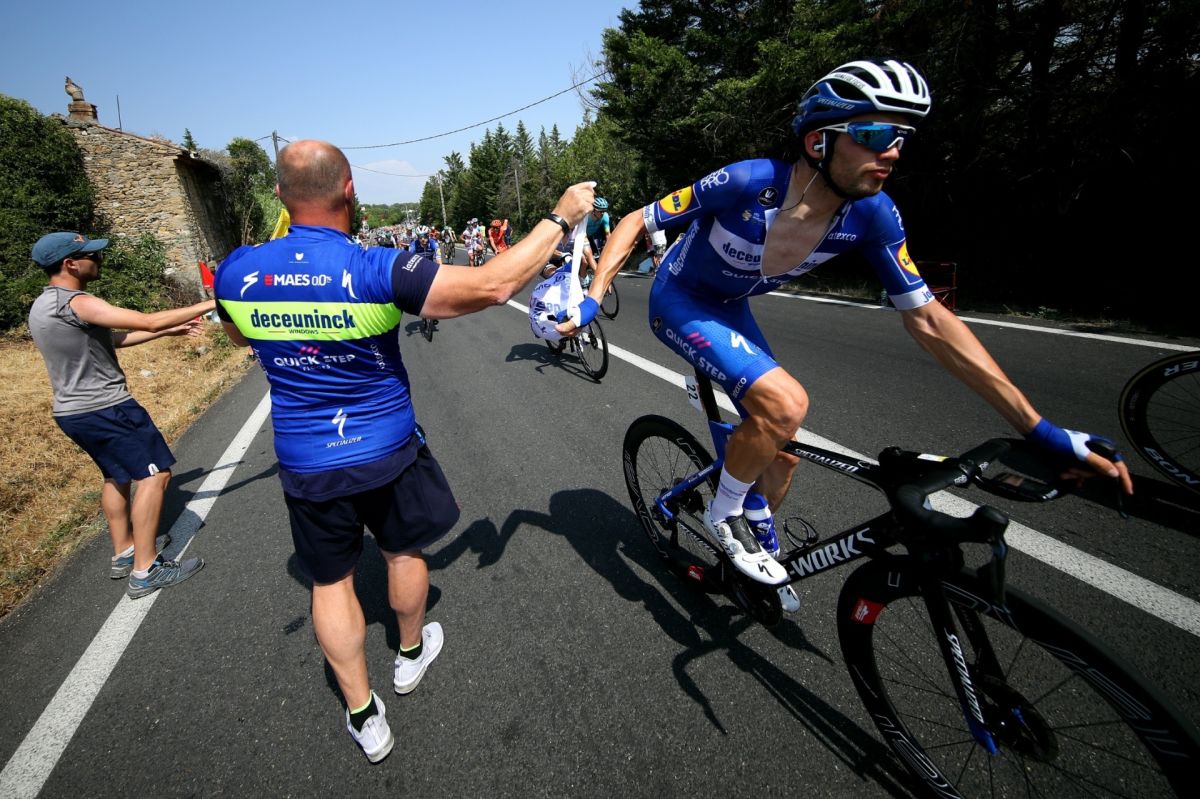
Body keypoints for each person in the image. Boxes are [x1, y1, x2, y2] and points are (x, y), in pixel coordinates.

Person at [563, 58, 1132, 614]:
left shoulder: (873, 215)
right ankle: (725, 513)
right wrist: (593, 296)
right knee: (786, 404)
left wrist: (1040, 429)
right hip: (681, 300)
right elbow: (638, 220)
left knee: (782, 457)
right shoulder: (748, 181)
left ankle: (750, 531)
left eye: (902, 138)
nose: (893, 151)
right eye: (876, 134)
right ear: (819, 141)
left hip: (730, 306)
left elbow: (931, 320)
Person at [213, 139, 594, 763]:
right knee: (402, 551)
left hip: (307, 459)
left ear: (280, 196)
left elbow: (237, 338)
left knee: (330, 583)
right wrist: (560, 216)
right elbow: (495, 285)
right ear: (350, 190)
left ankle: (364, 715)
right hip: (386, 447)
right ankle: (410, 655)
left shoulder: (236, 271)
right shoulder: (374, 266)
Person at [27, 231, 214, 598]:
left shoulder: (42, 305)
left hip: (72, 412)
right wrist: (213, 302)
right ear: (70, 264)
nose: (98, 260)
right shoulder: (77, 301)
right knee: (155, 475)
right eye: (91, 256)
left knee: (117, 475)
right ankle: (146, 571)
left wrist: (167, 332)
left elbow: (107, 339)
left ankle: (124, 551)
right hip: (107, 407)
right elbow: (147, 320)